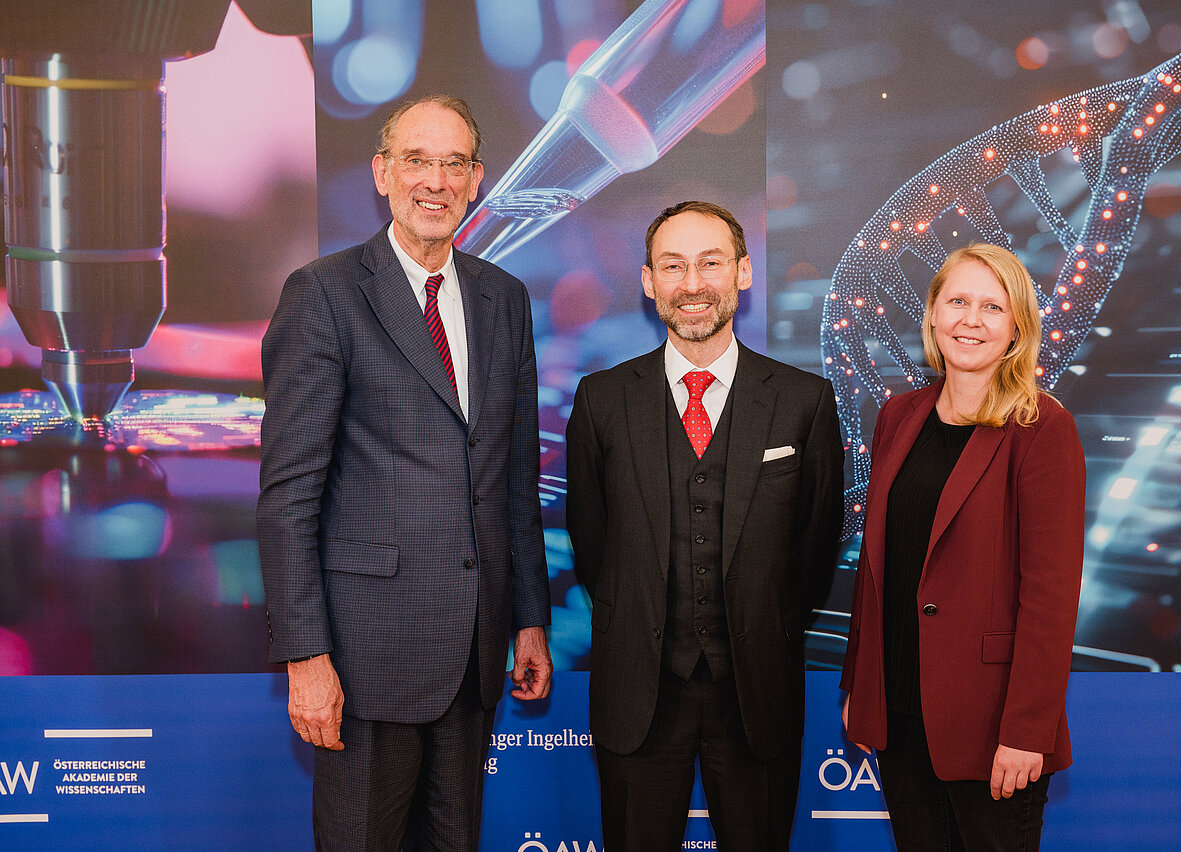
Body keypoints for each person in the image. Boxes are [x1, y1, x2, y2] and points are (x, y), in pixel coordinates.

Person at [257, 94, 552, 851]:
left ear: (478, 179)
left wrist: (529, 617)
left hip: (476, 654)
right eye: (417, 160)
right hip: (363, 661)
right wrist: (305, 655)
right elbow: (289, 494)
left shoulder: (505, 299)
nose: (436, 180)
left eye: (454, 163)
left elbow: (515, 478)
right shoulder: (324, 294)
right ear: (383, 174)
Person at [566, 200, 844, 850]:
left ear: (743, 272)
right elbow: (594, 543)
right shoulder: (601, 401)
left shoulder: (805, 403)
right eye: (673, 265)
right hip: (637, 694)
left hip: (759, 697)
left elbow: (814, 548)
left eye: (711, 262)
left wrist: (761, 623)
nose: (693, 284)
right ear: (648, 281)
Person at [840, 243, 1086, 850]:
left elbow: (1051, 596)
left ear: (1017, 329)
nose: (971, 320)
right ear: (931, 315)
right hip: (898, 711)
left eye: (992, 307)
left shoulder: (1042, 427)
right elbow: (879, 568)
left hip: (993, 723)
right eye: (957, 301)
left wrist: (1027, 729)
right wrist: (861, 688)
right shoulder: (899, 415)